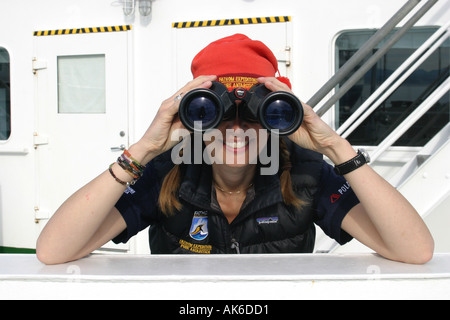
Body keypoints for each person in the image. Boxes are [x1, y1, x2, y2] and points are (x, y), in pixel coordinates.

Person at [36, 34, 434, 264]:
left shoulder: (306, 174)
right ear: (193, 117)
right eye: (216, 111)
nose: (238, 127)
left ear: (279, 118)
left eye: (258, 112)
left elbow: (414, 250)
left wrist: (333, 146)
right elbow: (54, 250)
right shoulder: (165, 173)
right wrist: (143, 150)